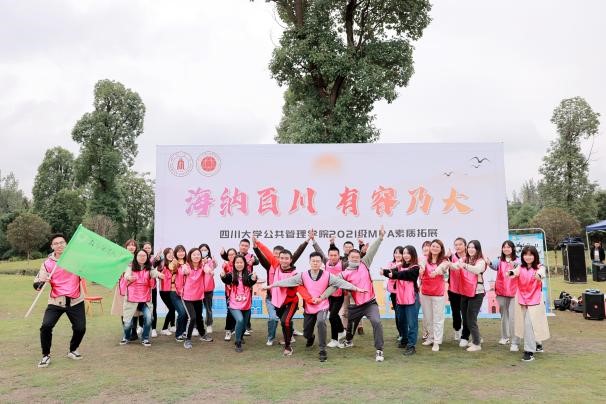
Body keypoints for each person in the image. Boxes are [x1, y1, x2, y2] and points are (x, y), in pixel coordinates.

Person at [264, 251, 364, 362]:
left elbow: (341, 283)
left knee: (321, 322)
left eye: (317, 261)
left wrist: (356, 289)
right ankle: (310, 337)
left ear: (321, 263)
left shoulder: (327, 275)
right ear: (309, 262)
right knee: (306, 333)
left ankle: (322, 350)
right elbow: (287, 281)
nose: (315, 263)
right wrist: (271, 286)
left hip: (322, 305)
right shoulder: (303, 275)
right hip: (309, 307)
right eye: (313, 261)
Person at [34, 233, 86, 368]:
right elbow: (37, 284)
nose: (59, 245)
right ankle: (46, 355)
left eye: (62, 242)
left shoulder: (76, 260)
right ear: (52, 246)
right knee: (46, 326)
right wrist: (41, 283)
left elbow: (88, 270)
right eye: (56, 243)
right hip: (56, 301)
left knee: (80, 328)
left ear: (66, 244)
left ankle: (73, 350)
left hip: (75, 300)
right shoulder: (47, 264)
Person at [339, 226, 386, 362]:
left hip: (370, 303)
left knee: (376, 322)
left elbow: (372, 250)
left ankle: (379, 350)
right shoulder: (344, 273)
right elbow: (333, 284)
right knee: (351, 327)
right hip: (355, 305)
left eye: (357, 257)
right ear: (348, 258)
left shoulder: (365, 264)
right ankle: (349, 341)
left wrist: (380, 237)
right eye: (352, 257)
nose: (355, 259)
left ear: (360, 258)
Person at [253, 235, 310, 346]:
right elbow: (266, 253)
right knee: (280, 320)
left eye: (285, 258)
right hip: (275, 300)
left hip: (289, 301)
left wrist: (307, 241)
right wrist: (257, 244)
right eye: (280, 258)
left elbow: (298, 252)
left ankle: (288, 343)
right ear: (278, 259)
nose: (283, 260)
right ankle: (281, 337)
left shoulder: (294, 273)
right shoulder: (274, 264)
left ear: (290, 259)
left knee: (285, 321)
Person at [510, 246, 550, 362]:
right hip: (522, 299)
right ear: (522, 256)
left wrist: (539, 276)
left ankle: (529, 351)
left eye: (530, 255)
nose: (528, 257)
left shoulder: (540, 267)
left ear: (535, 256)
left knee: (529, 323)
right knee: (527, 323)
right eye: (525, 255)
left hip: (535, 300)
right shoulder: (520, 267)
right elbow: (515, 272)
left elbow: (541, 273)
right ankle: (538, 343)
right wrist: (511, 272)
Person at [451, 240, 487, 352]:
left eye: (473, 247)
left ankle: (476, 343)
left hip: (477, 292)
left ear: (477, 249)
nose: (471, 249)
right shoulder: (464, 259)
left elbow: (477, 270)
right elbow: (455, 266)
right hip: (465, 292)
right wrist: (446, 263)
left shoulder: (481, 261)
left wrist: (464, 265)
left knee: (471, 319)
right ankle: (477, 339)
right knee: (466, 318)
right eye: (469, 247)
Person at [385, 245, 420, 356]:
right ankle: (404, 340)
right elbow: (389, 273)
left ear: (413, 255)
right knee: (401, 321)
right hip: (400, 298)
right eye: (404, 253)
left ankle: (411, 346)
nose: (405, 255)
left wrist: (394, 274)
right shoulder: (399, 266)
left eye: (408, 253)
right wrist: (385, 272)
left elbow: (407, 275)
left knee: (412, 323)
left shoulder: (415, 267)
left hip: (412, 299)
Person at [175, 248, 214, 349]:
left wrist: (210, 271)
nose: (196, 256)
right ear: (190, 256)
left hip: (199, 296)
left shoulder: (203, 265)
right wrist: (185, 271)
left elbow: (207, 269)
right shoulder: (186, 266)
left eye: (198, 254)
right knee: (192, 318)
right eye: (194, 255)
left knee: (199, 317)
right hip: (187, 297)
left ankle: (202, 334)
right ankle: (187, 339)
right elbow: (183, 271)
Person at [120, 249, 159, 346]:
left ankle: (145, 338)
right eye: (140, 255)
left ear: (147, 257)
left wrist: (159, 274)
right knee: (127, 322)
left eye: (144, 256)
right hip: (131, 299)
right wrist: (128, 277)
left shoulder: (150, 267)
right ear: (136, 257)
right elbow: (126, 275)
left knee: (149, 318)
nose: (142, 257)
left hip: (145, 299)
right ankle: (126, 337)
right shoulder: (130, 267)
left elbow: (154, 273)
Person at [220, 254, 258, 352]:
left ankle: (240, 337)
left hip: (246, 304)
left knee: (244, 325)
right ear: (234, 264)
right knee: (240, 320)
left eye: (241, 262)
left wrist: (254, 278)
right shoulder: (231, 274)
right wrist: (223, 276)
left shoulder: (248, 274)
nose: (239, 264)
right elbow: (226, 279)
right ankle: (238, 343)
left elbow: (251, 281)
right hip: (234, 304)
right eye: (237, 262)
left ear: (244, 264)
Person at [419, 239, 450, 352]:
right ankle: (430, 338)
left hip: (438, 294)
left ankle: (437, 341)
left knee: (438, 319)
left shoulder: (444, 261)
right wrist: (421, 270)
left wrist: (436, 272)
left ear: (441, 249)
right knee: (428, 318)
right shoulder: (424, 260)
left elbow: (442, 270)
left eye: (437, 247)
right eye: (433, 246)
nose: (435, 248)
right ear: (430, 247)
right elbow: (421, 266)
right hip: (425, 293)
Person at [489, 240, 520, 351]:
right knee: (503, 316)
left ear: (513, 248)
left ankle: (515, 342)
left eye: (508, 247)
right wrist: (488, 262)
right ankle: (504, 337)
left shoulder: (518, 260)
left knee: (513, 317)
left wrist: (514, 265)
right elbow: (492, 265)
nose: (506, 249)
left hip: (514, 292)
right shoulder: (499, 260)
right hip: (501, 292)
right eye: (504, 247)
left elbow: (520, 268)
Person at [382, 246, 404, 343]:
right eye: (396, 252)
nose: (397, 255)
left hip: (404, 292)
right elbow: (388, 274)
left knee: (404, 314)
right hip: (394, 293)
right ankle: (401, 333)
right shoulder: (390, 263)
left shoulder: (405, 264)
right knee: (398, 314)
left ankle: (405, 333)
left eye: (400, 253)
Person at [447, 238, 467, 343]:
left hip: (467, 289)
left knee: (467, 313)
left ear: (465, 245)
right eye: (456, 245)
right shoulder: (451, 257)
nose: (458, 246)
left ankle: (468, 332)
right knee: (455, 313)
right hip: (453, 290)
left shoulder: (470, 257)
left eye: (460, 244)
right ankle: (457, 330)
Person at [169, 245, 189, 342]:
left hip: (186, 292)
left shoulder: (188, 263)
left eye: (182, 251)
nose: (181, 253)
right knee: (182, 312)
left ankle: (184, 331)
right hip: (175, 292)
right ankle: (178, 333)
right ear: (175, 253)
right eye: (179, 251)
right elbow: (172, 267)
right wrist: (176, 263)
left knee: (186, 313)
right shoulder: (174, 263)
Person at [157, 248, 176, 335]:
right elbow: (158, 273)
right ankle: (164, 328)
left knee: (173, 308)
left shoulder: (174, 264)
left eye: (172, 253)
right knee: (172, 308)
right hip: (164, 291)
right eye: (169, 253)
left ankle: (172, 325)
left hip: (172, 290)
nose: (171, 255)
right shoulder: (162, 264)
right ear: (165, 254)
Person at [199, 243, 217, 334]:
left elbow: (213, 267)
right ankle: (197, 326)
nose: (203, 251)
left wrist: (214, 262)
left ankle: (209, 324)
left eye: (205, 250)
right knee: (197, 309)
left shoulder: (210, 260)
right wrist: (202, 262)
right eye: (201, 250)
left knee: (208, 308)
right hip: (198, 289)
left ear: (208, 251)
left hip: (208, 288)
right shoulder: (196, 260)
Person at [142, 242, 158, 338]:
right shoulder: (139, 258)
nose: (147, 249)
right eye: (146, 248)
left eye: (149, 248)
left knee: (153, 307)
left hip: (152, 287)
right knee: (141, 307)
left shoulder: (153, 259)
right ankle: (141, 326)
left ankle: (154, 329)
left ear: (151, 249)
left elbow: (157, 267)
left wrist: (158, 259)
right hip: (141, 288)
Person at [222, 248, 237, 341]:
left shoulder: (239, 264)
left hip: (239, 293)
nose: (231, 256)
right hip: (229, 292)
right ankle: (228, 330)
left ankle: (234, 329)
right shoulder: (225, 265)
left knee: (237, 311)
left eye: (233, 254)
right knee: (230, 311)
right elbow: (224, 278)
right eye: (229, 255)